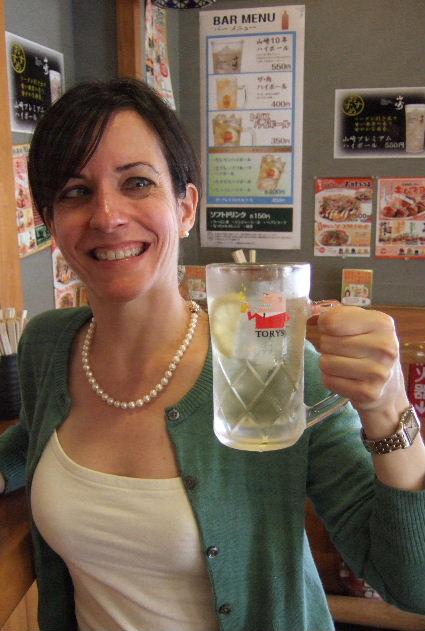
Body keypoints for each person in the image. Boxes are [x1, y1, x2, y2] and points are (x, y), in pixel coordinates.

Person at [0, 78, 424, 631]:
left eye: (137, 182)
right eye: (76, 192)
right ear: (51, 222)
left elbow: (412, 582)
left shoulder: (272, 368)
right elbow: (33, 436)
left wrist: (389, 409)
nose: (106, 215)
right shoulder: (47, 344)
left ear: (186, 208)